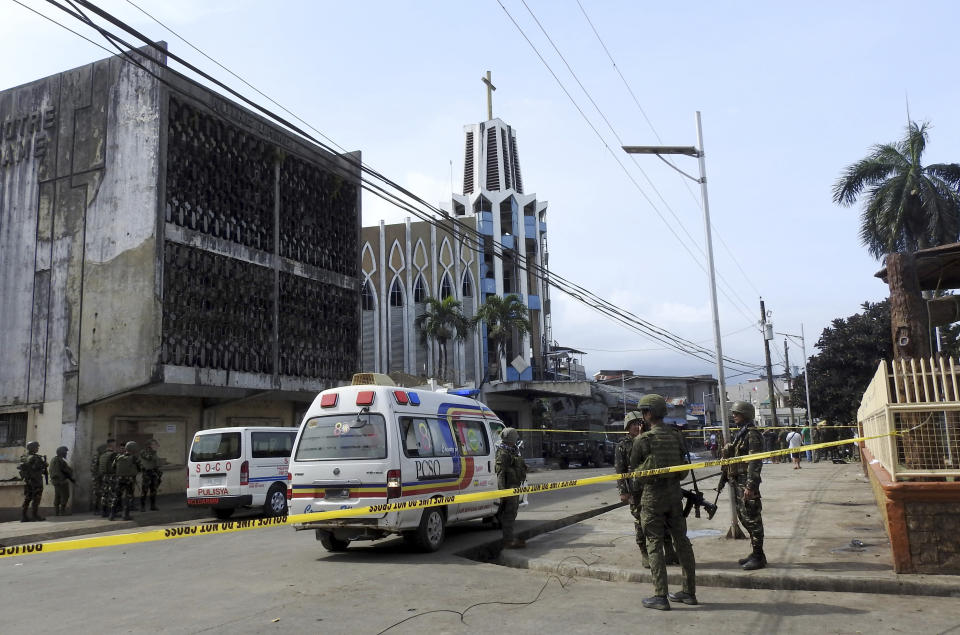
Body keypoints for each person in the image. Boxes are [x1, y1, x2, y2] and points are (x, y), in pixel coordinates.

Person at [630, 394, 697, 610]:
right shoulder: (677, 436)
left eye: (643, 412)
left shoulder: (643, 440)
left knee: (654, 544)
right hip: (675, 496)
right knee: (682, 542)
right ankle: (689, 592)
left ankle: (660, 595)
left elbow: (635, 473)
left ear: (648, 413)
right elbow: (683, 470)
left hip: (652, 498)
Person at [723, 401, 767, 570]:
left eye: (737, 413)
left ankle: (758, 556)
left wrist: (750, 486)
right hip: (739, 481)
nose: (734, 416)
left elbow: (754, 462)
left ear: (746, 414)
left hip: (747, 483)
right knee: (744, 517)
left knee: (753, 519)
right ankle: (757, 553)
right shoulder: (741, 433)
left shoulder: (752, 434)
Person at [495, 427, 527, 549]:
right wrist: (503, 493)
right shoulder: (503, 453)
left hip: (515, 487)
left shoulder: (512, 451)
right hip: (509, 489)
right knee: (509, 514)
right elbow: (501, 474)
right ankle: (508, 541)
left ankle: (509, 539)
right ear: (511, 439)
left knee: (512, 513)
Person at [110, 441, 142, 521]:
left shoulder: (118, 457)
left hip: (119, 479)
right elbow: (140, 468)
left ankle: (112, 515)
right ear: (134, 449)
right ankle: (125, 515)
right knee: (128, 497)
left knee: (116, 496)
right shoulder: (134, 458)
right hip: (129, 480)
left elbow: (113, 467)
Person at [18, 441, 48, 522]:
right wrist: (45, 465)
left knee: (27, 498)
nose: (37, 448)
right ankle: (34, 515)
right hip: (36, 481)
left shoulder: (24, 457)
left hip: (27, 481)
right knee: (36, 498)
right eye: (36, 447)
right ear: (32, 447)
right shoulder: (35, 457)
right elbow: (36, 468)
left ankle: (24, 516)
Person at [49, 445, 76, 515]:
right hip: (61, 481)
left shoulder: (56, 460)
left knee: (58, 496)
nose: (66, 453)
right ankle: (62, 511)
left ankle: (57, 512)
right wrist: (67, 478)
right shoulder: (58, 460)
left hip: (57, 481)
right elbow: (61, 471)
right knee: (65, 495)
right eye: (65, 452)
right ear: (61, 452)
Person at [139, 439, 162, 511]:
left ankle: (153, 506)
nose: (156, 446)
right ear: (149, 445)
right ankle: (142, 507)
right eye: (154, 444)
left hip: (154, 473)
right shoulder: (143, 452)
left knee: (153, 490)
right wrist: (154, 451)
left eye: (155, 444)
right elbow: (149, 458)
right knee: (144, 490)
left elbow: (156, 462)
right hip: (147, 473)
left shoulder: (154, 453)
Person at [98, 439, 118, 517]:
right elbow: (117, 466)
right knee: (113, 495)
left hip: (104, 476)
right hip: (112, 476)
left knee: (104, 494)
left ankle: (103, 511)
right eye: (114, 445)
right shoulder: (114, 455)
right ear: (111, 445)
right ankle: (111, 513)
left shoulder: (102, 455)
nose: (115, 446)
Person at [90, 443, 107, 512]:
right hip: (97, 478)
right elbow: (93, 468)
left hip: (99, 477)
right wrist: (99, 474)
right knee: (97, 493)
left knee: (100, 493)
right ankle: (96, 509)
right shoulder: (97, 457)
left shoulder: (100, 456)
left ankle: (100, 508)